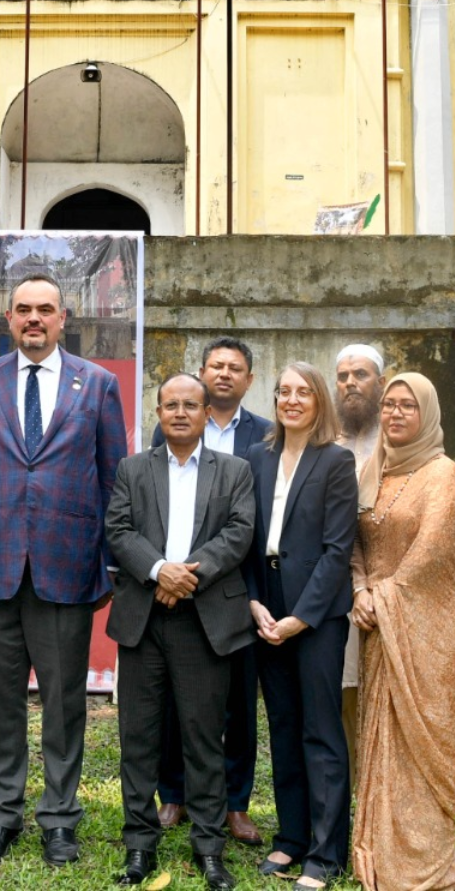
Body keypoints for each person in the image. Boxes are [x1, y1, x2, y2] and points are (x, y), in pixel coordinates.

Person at [0, 272, 127, 868]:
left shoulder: (98, 384)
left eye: (45, 310)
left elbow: (114, 482)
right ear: (8, 318)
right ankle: (2, 813)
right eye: (23, 309)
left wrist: (109, 565)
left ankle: (59, 818)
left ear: (63, 318)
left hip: (68, 567)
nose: (34, 319)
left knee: (63, 703)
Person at [107, 373, 256, 891]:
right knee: (139, 739)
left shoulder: (234, 470)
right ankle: (139, 846)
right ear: (158, 409)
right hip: (143, 621)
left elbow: (239, 532)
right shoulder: (132, 468)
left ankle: (210, 850)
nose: (180, 413)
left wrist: (185, 573)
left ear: (204, 409)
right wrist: (157, 571)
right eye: (170, 404)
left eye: (190, 405)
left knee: (202, 738)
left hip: (203, 620)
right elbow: (119, 530)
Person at [348, 371, 455, 891]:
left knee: (425, 740)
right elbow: (351, 542)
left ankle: (427, 862)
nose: (395, 414)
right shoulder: (372, 470)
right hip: (376, 621)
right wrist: (359, 590)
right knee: (379, 737)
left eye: (407, 406)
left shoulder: (445, 474)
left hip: (428, 623)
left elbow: (433, 549)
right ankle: (379, 846)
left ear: (427, 414)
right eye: (389, 405)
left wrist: (384, 594)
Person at [150, 337, 272, 845]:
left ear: (248, 380)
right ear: (201, 374)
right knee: (175, 699)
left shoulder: (267, 436)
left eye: (235, 368)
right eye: (215, 366)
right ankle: (173, 792)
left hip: (237, 586)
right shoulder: (169, 429)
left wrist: (200, 571)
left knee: (238, 701)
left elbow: (252, 520)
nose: (224, 374)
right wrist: (171, 574)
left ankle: (235, 802)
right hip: (171, 589)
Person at [246, 362, 356, 890]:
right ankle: (291, 839)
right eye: (284, 392)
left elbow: (338, 551)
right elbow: (245, 538)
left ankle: (326, 851)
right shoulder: (258, 459)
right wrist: (253, 603)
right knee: (284, 727)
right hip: (266, 607)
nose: (292, 400)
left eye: (303, 392)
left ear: (319, 402)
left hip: (316, 616)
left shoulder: (337, 461)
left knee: (321, 730)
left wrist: (299, 619)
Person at [331, 345, 384, 774]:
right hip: (338, 581)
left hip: (387, 581)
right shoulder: (326, 439)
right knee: (345, 688)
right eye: (343, 376)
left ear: (380, 382)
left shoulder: (400, 436)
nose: (351, 383)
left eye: (360, 375)